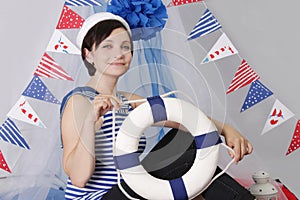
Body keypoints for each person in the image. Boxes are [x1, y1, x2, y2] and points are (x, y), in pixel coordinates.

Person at [60, 12, 255, 200]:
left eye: (125, 46)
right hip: (99, 197)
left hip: (132, 192)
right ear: (88, 54)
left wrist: (226, 130)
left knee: (182, 140)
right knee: (182, 159)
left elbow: (182, 118)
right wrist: (89, 122)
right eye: (107, 46)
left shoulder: (128, 101)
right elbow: (79, 178)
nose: (118, 54)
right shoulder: (79, 101)